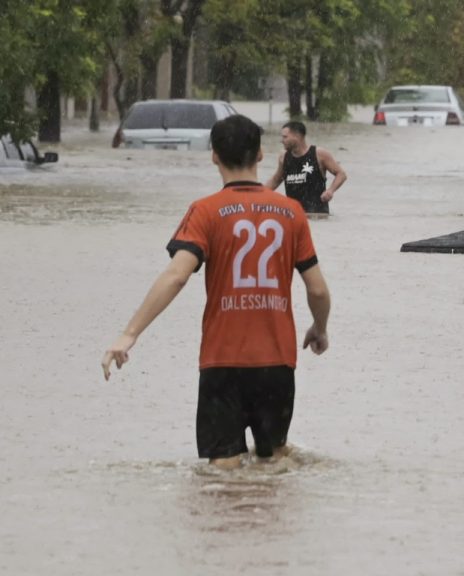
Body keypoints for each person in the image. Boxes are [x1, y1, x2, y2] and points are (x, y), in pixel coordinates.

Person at [101, 115, 332, 470]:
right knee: (275, 464)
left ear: (213, 156)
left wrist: (128, 334)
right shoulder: (292, 213)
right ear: (260, 155)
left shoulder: (204, 211)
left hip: (221, 361)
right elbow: (316, 288)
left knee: (221, 472)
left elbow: (177, 276)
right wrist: (320, 327)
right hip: (277, 363)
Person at [265, 121, 347, 215]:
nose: (281, 140)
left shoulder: (319, 154)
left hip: (318, 216)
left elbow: (341, 174)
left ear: (298, 136)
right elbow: (276, 180)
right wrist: (257, 195)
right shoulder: (283, 157)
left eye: (285, 137)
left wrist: (330, 190)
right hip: (294, 216)